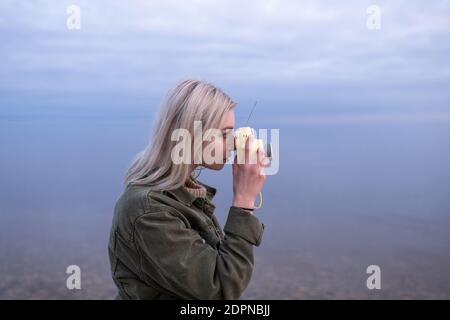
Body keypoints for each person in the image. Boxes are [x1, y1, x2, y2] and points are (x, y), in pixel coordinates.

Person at [108, 79, 268, 299]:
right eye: (224, 134)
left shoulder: (180, 191)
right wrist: (244, 200)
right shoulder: (148, 212)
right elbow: (221, 289)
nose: (231, 144)